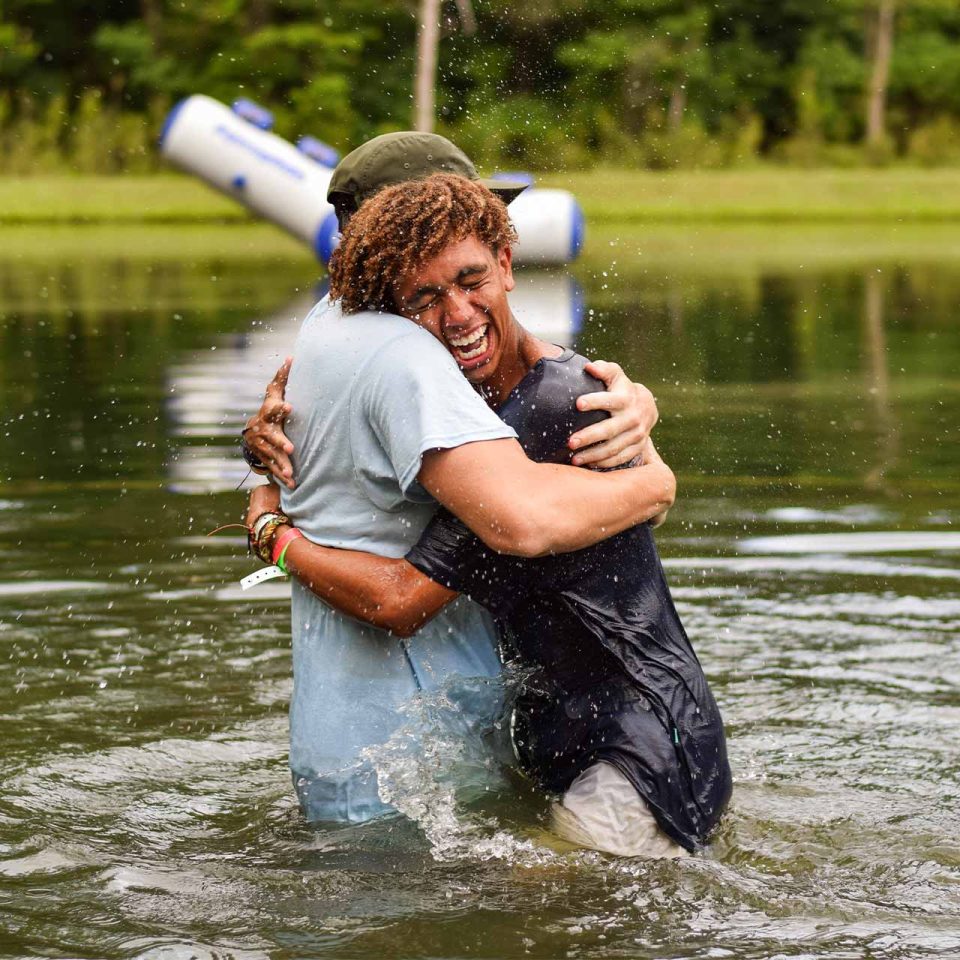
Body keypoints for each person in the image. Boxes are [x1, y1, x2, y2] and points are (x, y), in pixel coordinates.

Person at [247, 174, 732, 857]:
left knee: (511, 912)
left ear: (507, 265)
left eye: (470, 280)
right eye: (425, 298)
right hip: (581, 745)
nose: (457, 314)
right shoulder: (501, 403)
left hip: (640, 756)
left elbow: (400, 600)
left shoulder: (541, 418)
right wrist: (260, 445)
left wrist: (269, 529)